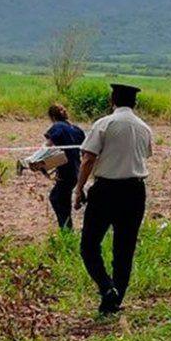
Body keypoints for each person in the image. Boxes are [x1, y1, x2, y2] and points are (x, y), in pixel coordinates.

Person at [73, 83, 153, 315]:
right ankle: (115, 299)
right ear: (134, 103)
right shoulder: (144, 128)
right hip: (135, 192)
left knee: (89, 245)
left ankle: (107, 289)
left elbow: (88, 159)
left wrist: (79, 189)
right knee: (124, 248)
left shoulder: (104, 124)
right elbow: (146, 154)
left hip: (106, 190)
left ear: (112, 100)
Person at [44, 103, 85, 231]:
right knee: (58, 197)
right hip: (76, 170)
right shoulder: (77, 129)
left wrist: (38, 162)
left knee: (59, 200)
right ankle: (66, 228)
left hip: (66, 171)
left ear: (52, 117)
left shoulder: (57, 126)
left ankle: (66, 230)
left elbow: (48, 147)